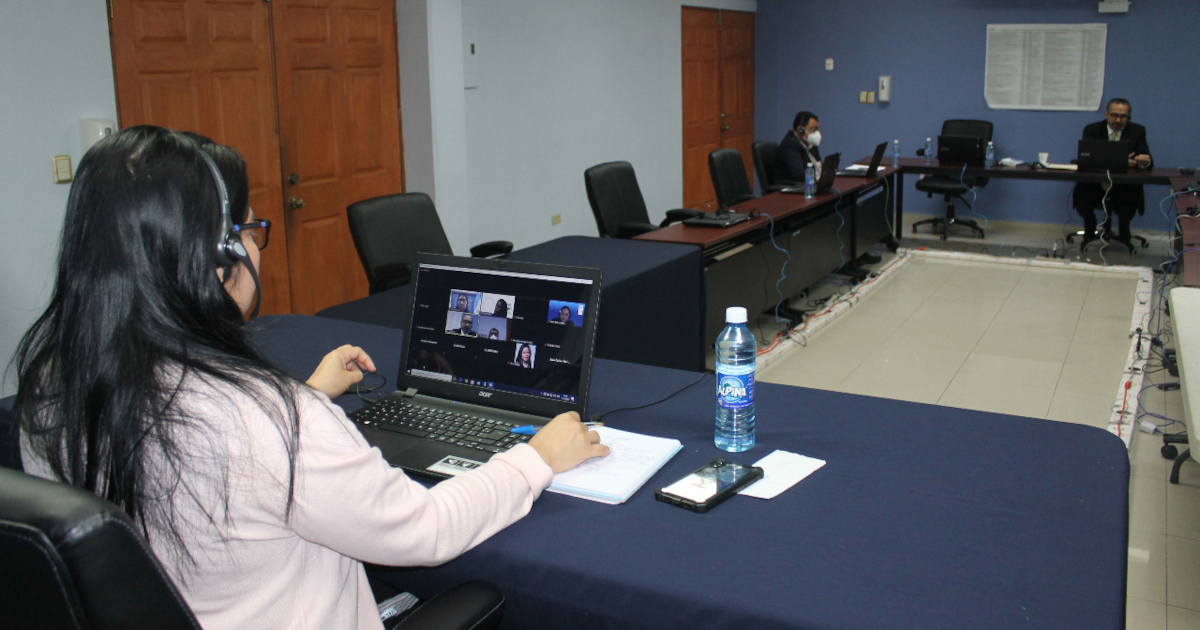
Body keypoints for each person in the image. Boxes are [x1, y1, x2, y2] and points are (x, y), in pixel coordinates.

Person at [12, 126, 609, 630]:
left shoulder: (50, 385)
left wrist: (311, 394)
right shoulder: (272, 420)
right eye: (250, 229)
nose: (255, 245)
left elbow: (207, 446)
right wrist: (535, 458)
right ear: (217, 260)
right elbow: (424, 530)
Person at [1073, 98, 1153, 245]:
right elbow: (1087, 159)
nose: (1118, 120)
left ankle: (1124, 229)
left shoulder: (1137, 131)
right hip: (1096, 184)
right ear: (1106, 114)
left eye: (1123, 117)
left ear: (1128, 117)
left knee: (1129, 198)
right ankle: (1090, 226)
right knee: (1082, 194)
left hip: (1123, 185)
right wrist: (1122, 161)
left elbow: (1147, 160)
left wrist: (1144, 161)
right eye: (1114, 115)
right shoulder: (1092, 130)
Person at [773, 110, 822, 183]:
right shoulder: (789, 146)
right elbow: (798, 174)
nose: (817, 133)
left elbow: (819, 167)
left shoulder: (811, 144)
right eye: (813, 129)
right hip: (795, 189)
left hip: (814, 185)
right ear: (800, 129)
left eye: (817, 129)